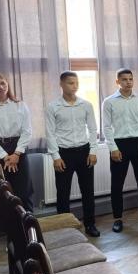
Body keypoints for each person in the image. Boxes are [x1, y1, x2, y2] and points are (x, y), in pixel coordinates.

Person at [46, 71, 100, 237]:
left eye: (76, 83)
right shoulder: (53, 106)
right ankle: (65, 229)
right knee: (63, 193)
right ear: (61, 84)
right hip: (64, 154)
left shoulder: (86, 105)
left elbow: (93, 129)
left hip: (84, 152)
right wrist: (56, 157)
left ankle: (90, 224)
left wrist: (93, 151)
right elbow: (50, 133)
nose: (74, 86)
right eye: (70, 83)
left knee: (88, 191)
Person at [102, 69, 138, 233]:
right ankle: (117, 218)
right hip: (119, 145)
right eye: (124, 79)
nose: (128, 82)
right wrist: (113, 148)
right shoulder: (109, 102)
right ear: (117, 82)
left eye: (130, 79)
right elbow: (106, 127)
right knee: (117, 184)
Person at [0, 71, 33, 230]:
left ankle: (29, 230)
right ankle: (10, 235)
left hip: (18, 149)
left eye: (3, 83)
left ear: (7, 84)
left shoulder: (20, 105)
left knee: (24, 192)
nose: (0, 87)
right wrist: (5, 156)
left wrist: (16, 154)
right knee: (2, 194)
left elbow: (27, 131)